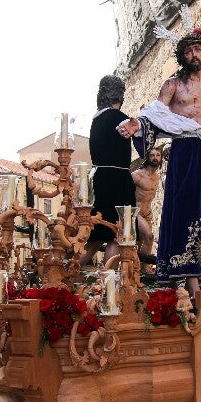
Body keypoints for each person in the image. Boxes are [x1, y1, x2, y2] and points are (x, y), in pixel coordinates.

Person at [121, 24, 201, 296]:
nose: (193, 54)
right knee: (184, 206)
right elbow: (155, 114)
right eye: (188, 50)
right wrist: (136, 125)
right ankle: (187, 278)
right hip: (184, 150)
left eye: (197, 49)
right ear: (182, 56)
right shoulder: (173, 85)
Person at [80, 75, 136, 266]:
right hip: (117, 180)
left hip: (99, 179)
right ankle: (107, 279)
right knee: (115, 234)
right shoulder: (120, 119)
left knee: (95, 238)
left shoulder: (96, 120)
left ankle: (66, 273)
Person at [131, 147, 162, 265]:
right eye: (152, 155)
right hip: (136, 212)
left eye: (158, 155)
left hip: (148, 213)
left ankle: (140, 272)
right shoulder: (137, 175)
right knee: (149, 236)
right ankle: (137, 269)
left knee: (142, 242)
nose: (155, 158)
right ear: (147, 158)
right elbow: (125, 193)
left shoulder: (157, 177)